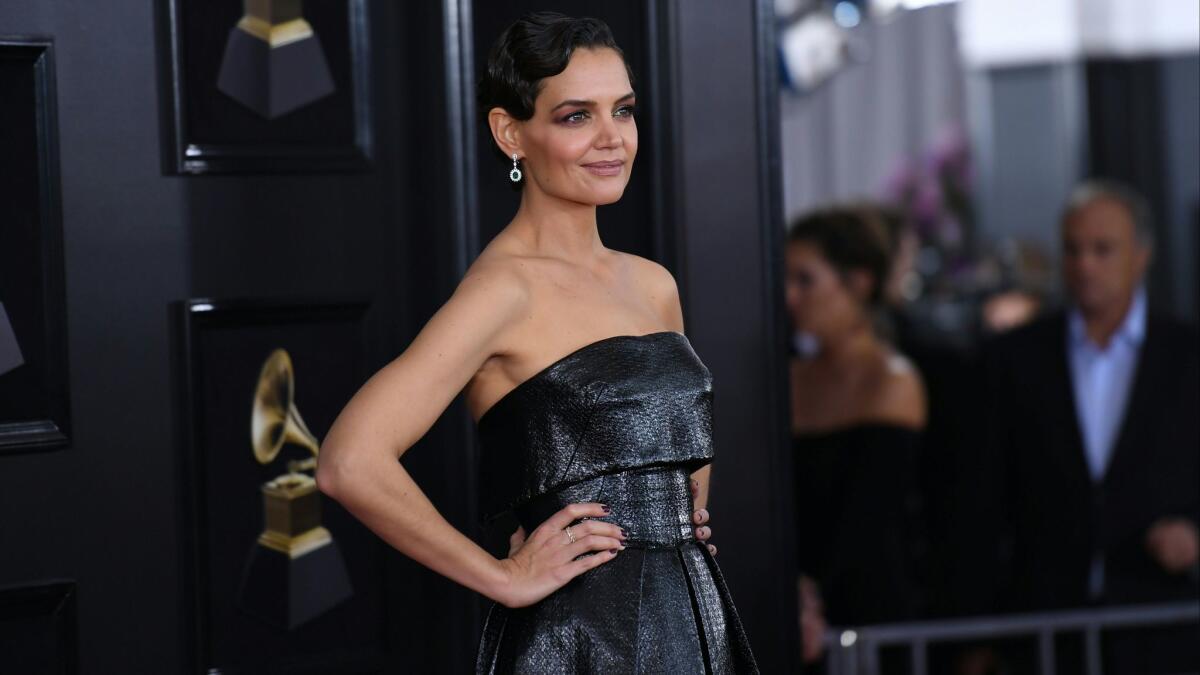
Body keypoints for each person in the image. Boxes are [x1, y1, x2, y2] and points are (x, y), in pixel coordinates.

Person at [315, 12, 759, 674]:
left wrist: (677, 517)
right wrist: (504, 574)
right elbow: (348, 461)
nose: (613, 139)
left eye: (624, 111)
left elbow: (678, 444)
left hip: (693, 616)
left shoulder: (654, 284)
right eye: (577, 116)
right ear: (510, 132)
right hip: (579, 636)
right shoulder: (502, 293)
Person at [955, 180, 1199, 674]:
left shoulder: (1189, 357)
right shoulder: (1013, 359)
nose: (1084, 265)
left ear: (1142, 255)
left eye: (1102, 249)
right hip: (1043, 631)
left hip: (1163, 627)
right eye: (1072, 249)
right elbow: (976, 499)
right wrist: (971, 631)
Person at [784, 208, 927, 661]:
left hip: (869, 625)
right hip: (789, 616)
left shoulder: (892, 379)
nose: (790, 296)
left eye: (805, 280)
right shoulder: (786, 377)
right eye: (785, 279)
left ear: (859, 283)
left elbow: (868, 523)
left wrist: (809, 596)